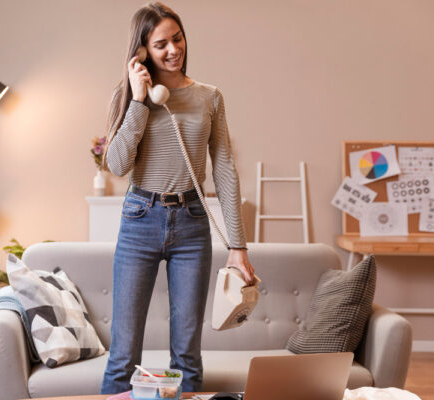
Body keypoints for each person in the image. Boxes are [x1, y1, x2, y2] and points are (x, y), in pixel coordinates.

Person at [100, 2, 255, 394]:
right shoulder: (132, 95)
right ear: (141, 52)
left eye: (178, 38)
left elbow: (224, 171)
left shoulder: (210, 97)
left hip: (191, 221)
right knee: (123, 352)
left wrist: (238, 247)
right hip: (140, 218)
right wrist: (138, 100)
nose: (173, 50)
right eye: (160, 44)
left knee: (187, 352)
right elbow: (117, 165)